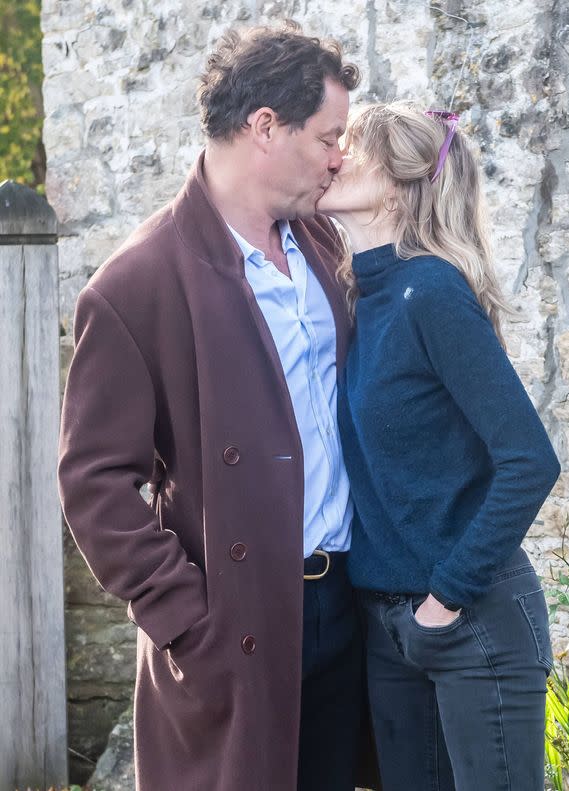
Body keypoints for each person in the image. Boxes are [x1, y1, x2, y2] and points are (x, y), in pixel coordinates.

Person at [58, 23, 376, 791]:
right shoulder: (135, 284)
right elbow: (94, 480)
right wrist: (185, 618)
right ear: (265, 127)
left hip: (346, 605)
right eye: (328, 136)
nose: (340, 157)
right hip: (233, 629)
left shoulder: (327, 248)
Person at [318, 102, 561, 790]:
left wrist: (445, 599)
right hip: (390, 628)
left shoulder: (431, 291)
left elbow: (529, 458)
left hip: (472, 621)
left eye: (352, 148)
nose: (333, 157)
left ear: (401, 180)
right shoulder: (367, 299)